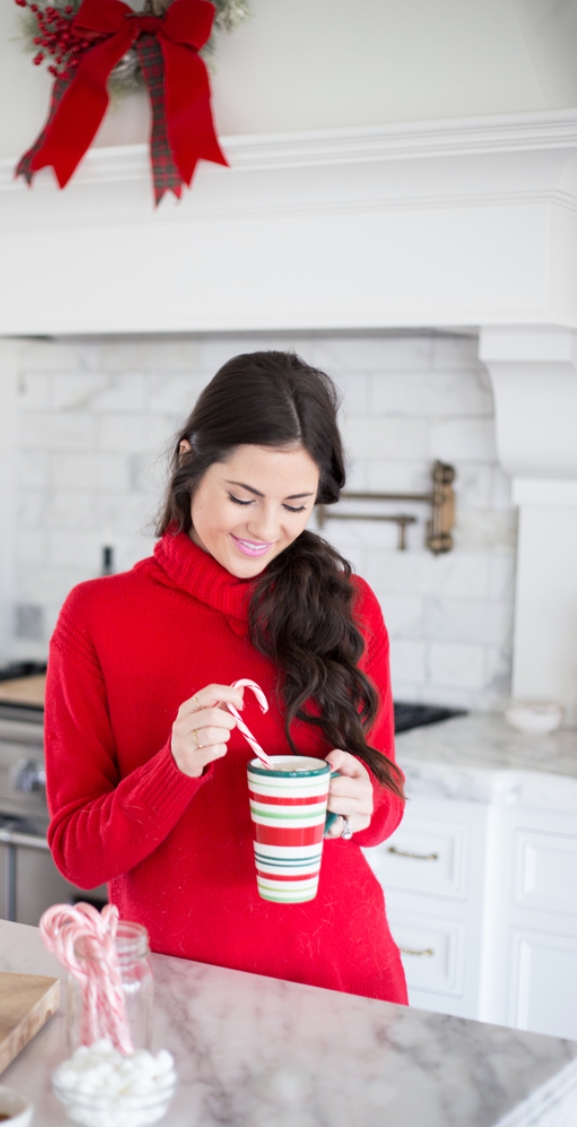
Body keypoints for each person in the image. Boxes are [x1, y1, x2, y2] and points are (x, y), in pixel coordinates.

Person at [45, 351, 407, 1004]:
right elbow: (77, 853)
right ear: (191, 460)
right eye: (243, 497)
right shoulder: (98, 616)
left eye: (295, 504)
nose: (267, 529)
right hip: (177, 992)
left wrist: (366, 800)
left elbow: (385, 801)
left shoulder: (348, 606)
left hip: (342, 982)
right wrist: (173, 766)